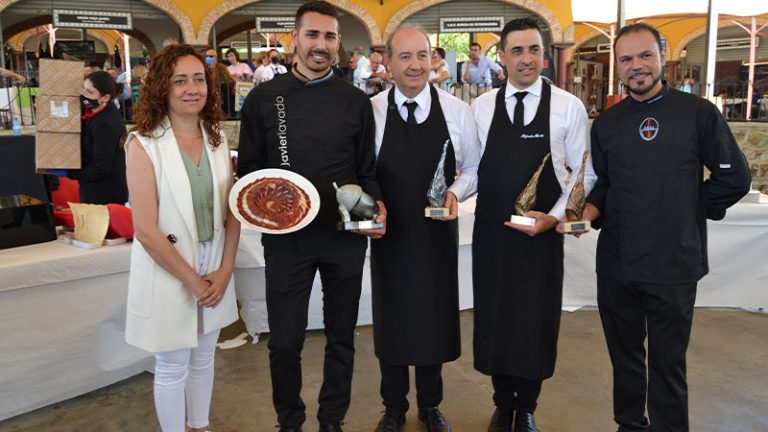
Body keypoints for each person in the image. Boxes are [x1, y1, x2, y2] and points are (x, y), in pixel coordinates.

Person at [566, 23, 751, 432]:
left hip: (674, 264)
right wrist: (586, 215)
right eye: (627, 59)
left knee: (668, 363)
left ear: (663, 56)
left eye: (645, 56)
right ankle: (630, 424)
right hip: (617, 263)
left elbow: (735, 178)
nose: (637, 67)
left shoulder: (698, 114)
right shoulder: (608, 124)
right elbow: (604, 185)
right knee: (625, 357)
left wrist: (687, 208)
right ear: (618, 66)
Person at [236, 2, 385, 431]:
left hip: (344, 237)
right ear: (294, 39)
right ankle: (290, 420)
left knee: (341, 337)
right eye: (313, 35)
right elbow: (249, 172)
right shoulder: (264, 99)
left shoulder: (357, 102)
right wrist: (270, 206)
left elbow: (367, 171)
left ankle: (332, 420)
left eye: (330, 37)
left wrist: (376, 206)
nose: (321, 45)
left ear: (338, 43)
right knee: (284, 342)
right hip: (287, 241)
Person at [470, 18, 596, 432]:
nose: (527, 59)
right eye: (517, 51)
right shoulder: (482, 107)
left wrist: (554, 218)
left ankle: (527, 407)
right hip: (492, 233)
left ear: (545, 55)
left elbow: (583, 176)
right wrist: (451, 193)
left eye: (534, 50)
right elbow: (472, 169)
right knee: (495, 317)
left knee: (534, 320)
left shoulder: (567, 107)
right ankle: (502, 402)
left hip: (540, 236)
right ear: (502, 57)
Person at [369, 24, 480, 432]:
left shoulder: (456, 111)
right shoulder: (373, 112)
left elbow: (471, 169)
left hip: (436, 235)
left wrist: (455, 192)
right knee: (392, 317)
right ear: (388, 62)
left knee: (434, 317)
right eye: (405, 57)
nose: (415, 66)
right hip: (390, 236)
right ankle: (393, 406)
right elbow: (364, 171)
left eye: (422, 56)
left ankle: (430, 405)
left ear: (433, 60)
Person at [124, 44, 240, 432]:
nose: (192, 88)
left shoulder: (217, 138)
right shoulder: (143, 145)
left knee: (205, 356)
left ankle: (200, 425)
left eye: (199, 79)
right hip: (171, 267)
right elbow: (145, 230)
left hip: (214, 260)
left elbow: (232, 209)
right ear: (162, 88)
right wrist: (194, 281)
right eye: (180, 81)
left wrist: (223, 272)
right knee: (173, 362)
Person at [65, 71, 128, 205]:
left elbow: (100, 168)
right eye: (83, 90)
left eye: (90, 92)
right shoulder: (94, 112)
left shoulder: (106, 125)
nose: (84, 96)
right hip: (94, 190)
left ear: (105, 97)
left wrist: (70, 174)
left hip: (104, 195)